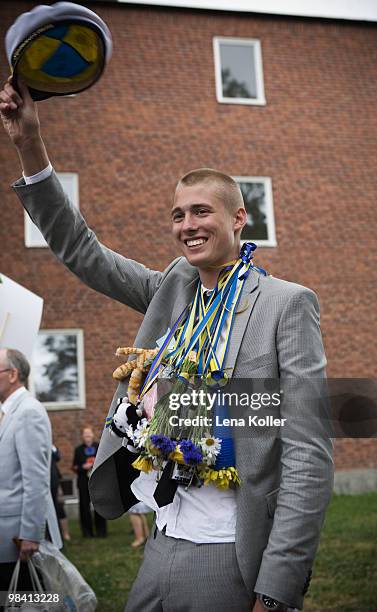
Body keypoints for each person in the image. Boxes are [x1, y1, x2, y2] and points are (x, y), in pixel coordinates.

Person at [1, 78, 333, 611]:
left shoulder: (286, 305)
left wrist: (277, 587)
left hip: (230, 548)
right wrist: (29, 144)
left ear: (238, 218)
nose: (188, 225)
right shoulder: (171, 290)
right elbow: (82, 250)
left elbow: (307, 454)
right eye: (178, 215)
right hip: (162, 536)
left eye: (202, 211)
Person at [0, 347, 62, 594]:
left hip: (18, 540)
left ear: (12, 374)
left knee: (24, 602)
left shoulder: (28, 412)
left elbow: (36, 480)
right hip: (7, 536)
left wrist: (30, 535)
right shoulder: (8, 413)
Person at [72, 427, 107, 538]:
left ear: (92, 435)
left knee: (99, 505)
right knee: (84, 507)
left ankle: (101, 531)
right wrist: (83, 467)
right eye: (85, 435)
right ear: (82, 437)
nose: (87, 436)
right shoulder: (78, 450)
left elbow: (104, 462)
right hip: (83, 482)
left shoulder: (98, 447)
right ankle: (87, 532)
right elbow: (74, 466)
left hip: (97, 481)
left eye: (89, 434)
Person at [50, 444, 71, 542]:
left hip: (54, 482)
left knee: (59, 508)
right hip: (45, 484)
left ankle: (63, 534)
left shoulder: (51, 448)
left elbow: (57, 457)